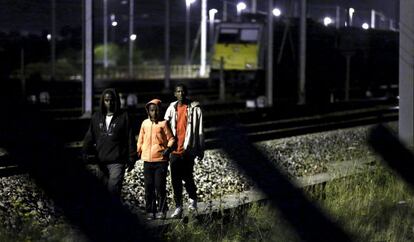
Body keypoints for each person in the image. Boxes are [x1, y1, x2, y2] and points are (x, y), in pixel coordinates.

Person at [83, 88, 137, 198]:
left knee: (113, 190)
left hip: (117, 162)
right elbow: (89, 137)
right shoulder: (96, 117)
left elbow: (130, 138)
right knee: (101, 193)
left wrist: (132, 157)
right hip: (101, 161)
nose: (109, 103)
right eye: (106, 100)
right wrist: (85, 152)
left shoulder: (124, 117)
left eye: (112, 100)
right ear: (103, 101)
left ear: (116, 101)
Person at [164, 83, 204, 218]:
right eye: (178, 92)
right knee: (175, 180)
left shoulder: (195, 109)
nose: (181, 94)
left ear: (186, 93)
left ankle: (193, 201)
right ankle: (178, 207)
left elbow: (200, 131)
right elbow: (165, 127)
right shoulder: (171, 108)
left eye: (183, 91)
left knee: (188, 177)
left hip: (188, 150)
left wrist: (200, 149)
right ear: (175, 94)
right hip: (174, 151)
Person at [137, 99, 175, 220]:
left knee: (159, 186)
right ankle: (150, 210)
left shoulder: (164, 124)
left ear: (160, 111)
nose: (154, 113)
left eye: (157, 111)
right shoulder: (144, 123)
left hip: (160, 160)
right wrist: (138, 151)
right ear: (148, 111)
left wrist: (168, 149)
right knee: (148, 186)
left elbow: (171, 138)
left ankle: (162, 210)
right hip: (147, 161)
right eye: (152, 110)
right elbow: (140, 140)